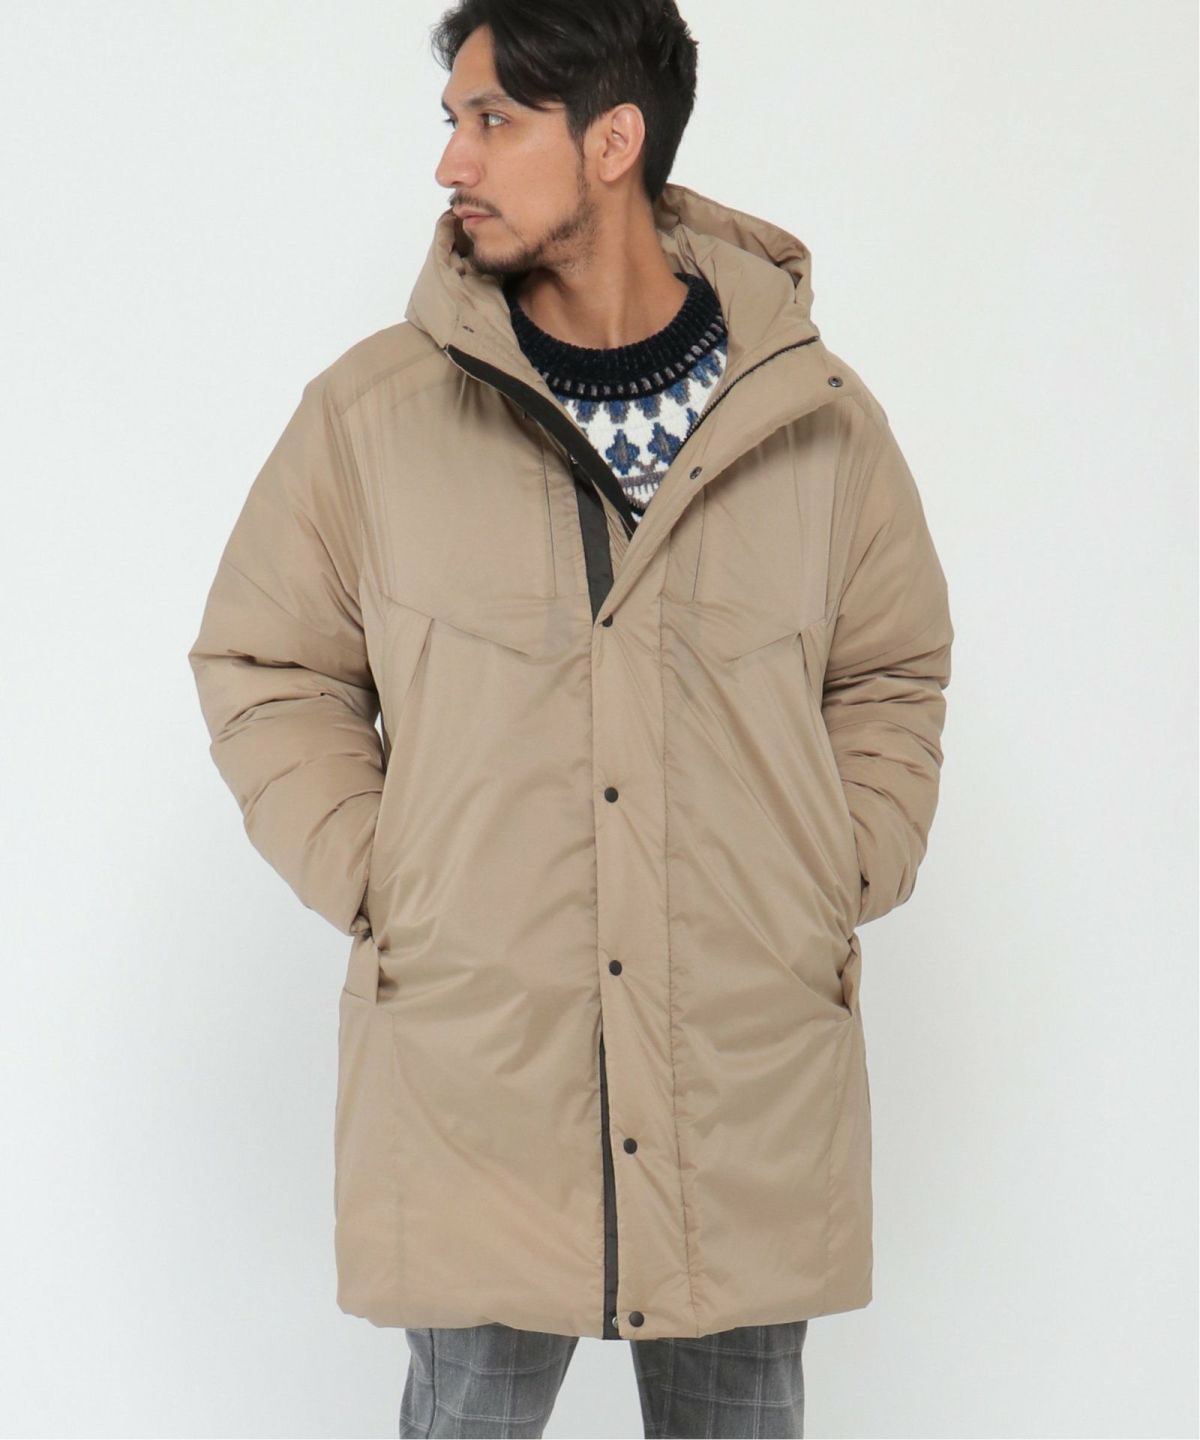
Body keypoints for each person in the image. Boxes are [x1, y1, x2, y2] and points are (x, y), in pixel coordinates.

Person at [186, 2, 955, 1436]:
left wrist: (835, 868)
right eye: (453, 122)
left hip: (741, 1071)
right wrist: (388, 874)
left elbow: (890, 672)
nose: (450, 163)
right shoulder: (372, 417)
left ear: (614, 142)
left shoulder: (814, 420)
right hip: (480, 1072)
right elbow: (268, 664)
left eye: (493, 121)